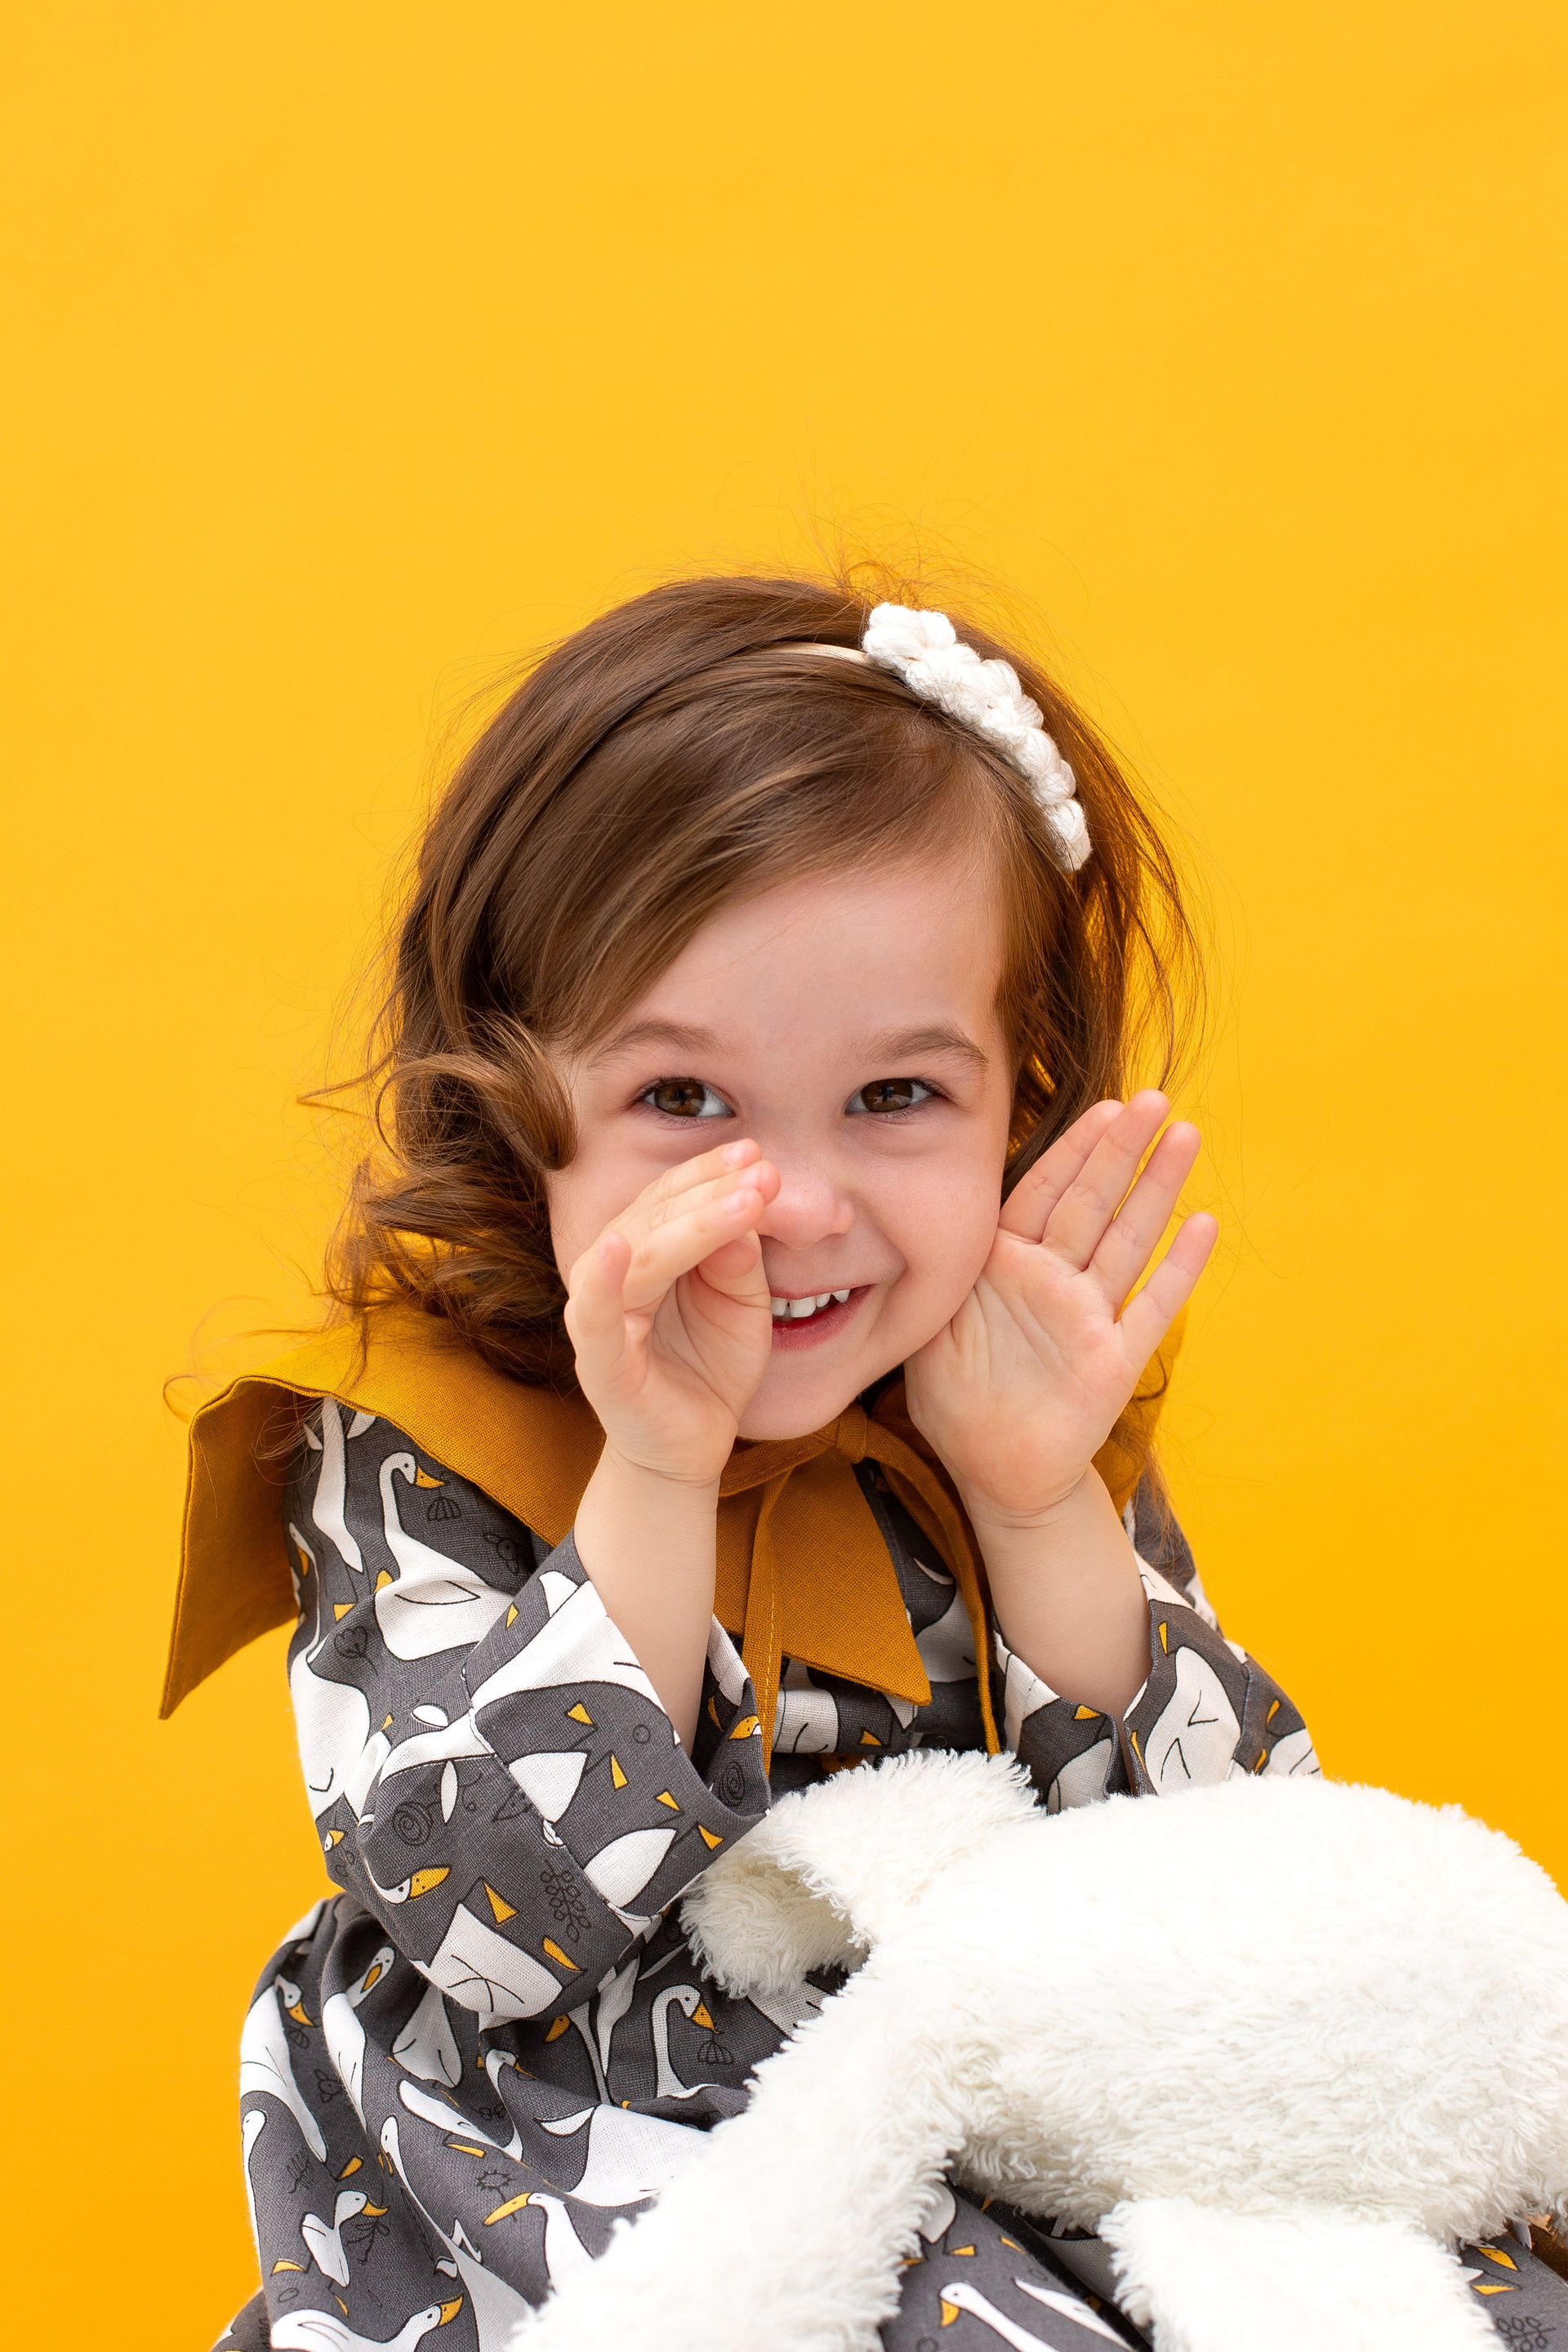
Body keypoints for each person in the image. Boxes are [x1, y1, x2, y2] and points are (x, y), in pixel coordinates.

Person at [177, 573, 1326, 2350]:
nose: (794, 1206)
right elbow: (484, 1926)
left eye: (897, 1098)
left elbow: (1237, 1898)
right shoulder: (416, 1431)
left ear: (1018, 1097)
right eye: (684, 1102)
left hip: (990, 2091)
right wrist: (652, 1470)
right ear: (518, 1104)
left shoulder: (999, 1388)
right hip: (585, 2137)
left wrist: (1037, 1502)